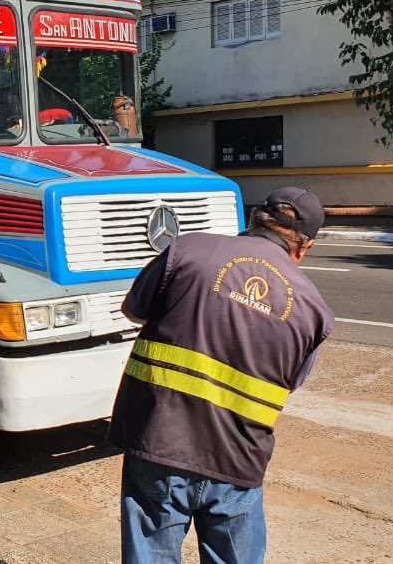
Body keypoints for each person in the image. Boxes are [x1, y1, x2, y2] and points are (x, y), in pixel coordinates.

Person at [109, 187, 335, 564]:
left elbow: (134, 309)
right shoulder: (313, 310)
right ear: (304, 247)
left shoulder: (187, 251)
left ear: (252, 220)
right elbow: (290, 382)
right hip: (237, 460)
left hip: (159, 442)